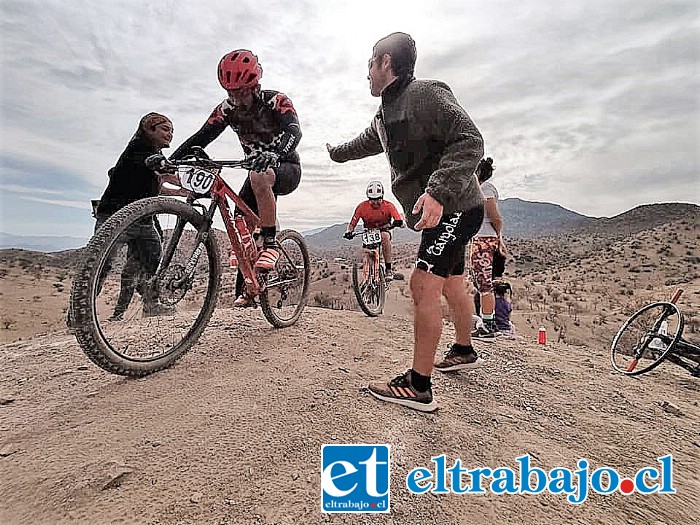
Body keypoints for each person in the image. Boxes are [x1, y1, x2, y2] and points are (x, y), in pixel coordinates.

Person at [327, 32, 485, 412]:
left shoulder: (428, 94)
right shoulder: (384, 114)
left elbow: (469, 139)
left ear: (385, 62)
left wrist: (437, 190)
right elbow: (366, 142)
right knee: (452, 284)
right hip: (445, 212)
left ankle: (418, 385)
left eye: (370, 64)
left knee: (422, 284)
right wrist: (336, 155)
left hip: (454, 207)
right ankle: (464, 349)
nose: (366, 73)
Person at [169, 49, 302, 306]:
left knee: (259, 175)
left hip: (286, 167)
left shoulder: (276, 101)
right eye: (230, 92)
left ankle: (272, 244)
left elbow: (294, 131)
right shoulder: (227, 109)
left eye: (241, 91)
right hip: (256, 172)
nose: (236, 97)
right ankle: (249, 290)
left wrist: (275, 154)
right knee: (240, 223)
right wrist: (171, 160)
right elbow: (201, 136)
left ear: (255, 84)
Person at [83, 112, 185, 324]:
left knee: (153, 260)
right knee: (100, 265)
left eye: (172, 131)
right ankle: (80, 315)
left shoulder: (150, 154)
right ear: (149, 129)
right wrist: (183, 178)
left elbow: (161, 183)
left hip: (142, 220)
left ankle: (151, 304)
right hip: (116, 217)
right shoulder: (139, 148)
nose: (170, 135)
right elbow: (161, 169)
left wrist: (185, 190)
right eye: (165, 129)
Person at [469, 157, 505, 338]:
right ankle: (487, 322)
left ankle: (488, 325)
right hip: (482, 239)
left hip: (484, 240)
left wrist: (499, 237)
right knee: (481, 283)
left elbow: (495, 217)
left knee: (484, 285)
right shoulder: (482, 189)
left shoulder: (486, 189)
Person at [344, 181, 403, 279]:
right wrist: (349, 231)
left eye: (378, 199)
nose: (375, 202)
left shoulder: (389, 206)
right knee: (367, 250)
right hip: (369, 230)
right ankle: (367, 278)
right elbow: (353, 223)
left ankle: (388, 269)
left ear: (382, 197)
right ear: (368, 199)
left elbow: (397, 217)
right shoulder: (362, 207)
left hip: (385, 228)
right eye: (372, 200)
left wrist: (398, 222)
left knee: (385, 237)